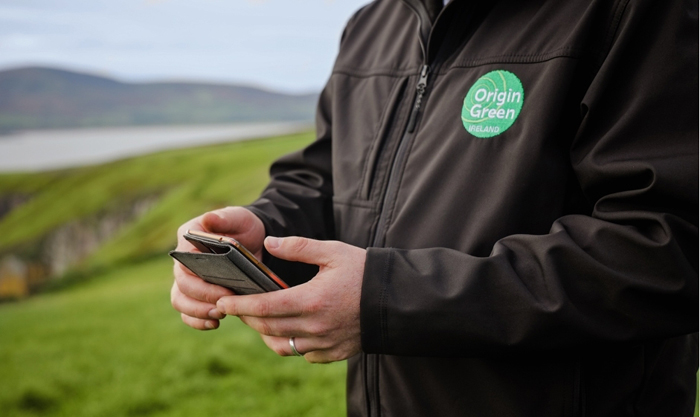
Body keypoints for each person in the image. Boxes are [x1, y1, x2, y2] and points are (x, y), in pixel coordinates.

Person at [171, 0, 699, 415]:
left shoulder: (634, 9)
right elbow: (329, 180)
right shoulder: (375, 23)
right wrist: (260, 234)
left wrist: (388, 299)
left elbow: (667, 245)